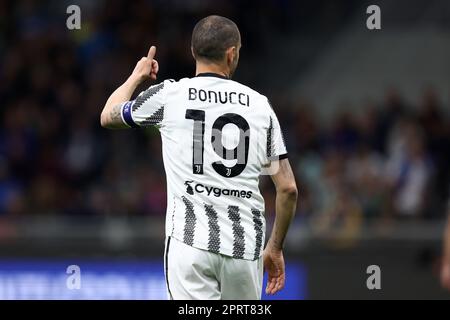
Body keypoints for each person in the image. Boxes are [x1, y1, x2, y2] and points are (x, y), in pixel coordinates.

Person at [100, 15, 297, 300]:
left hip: (190, 246)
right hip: (244, 251)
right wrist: (275, 246)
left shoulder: (170, 96)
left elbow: (108, 115)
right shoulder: (259, 107)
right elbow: (288, 188)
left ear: (193, 52)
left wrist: (137, 76)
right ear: (232, 54)